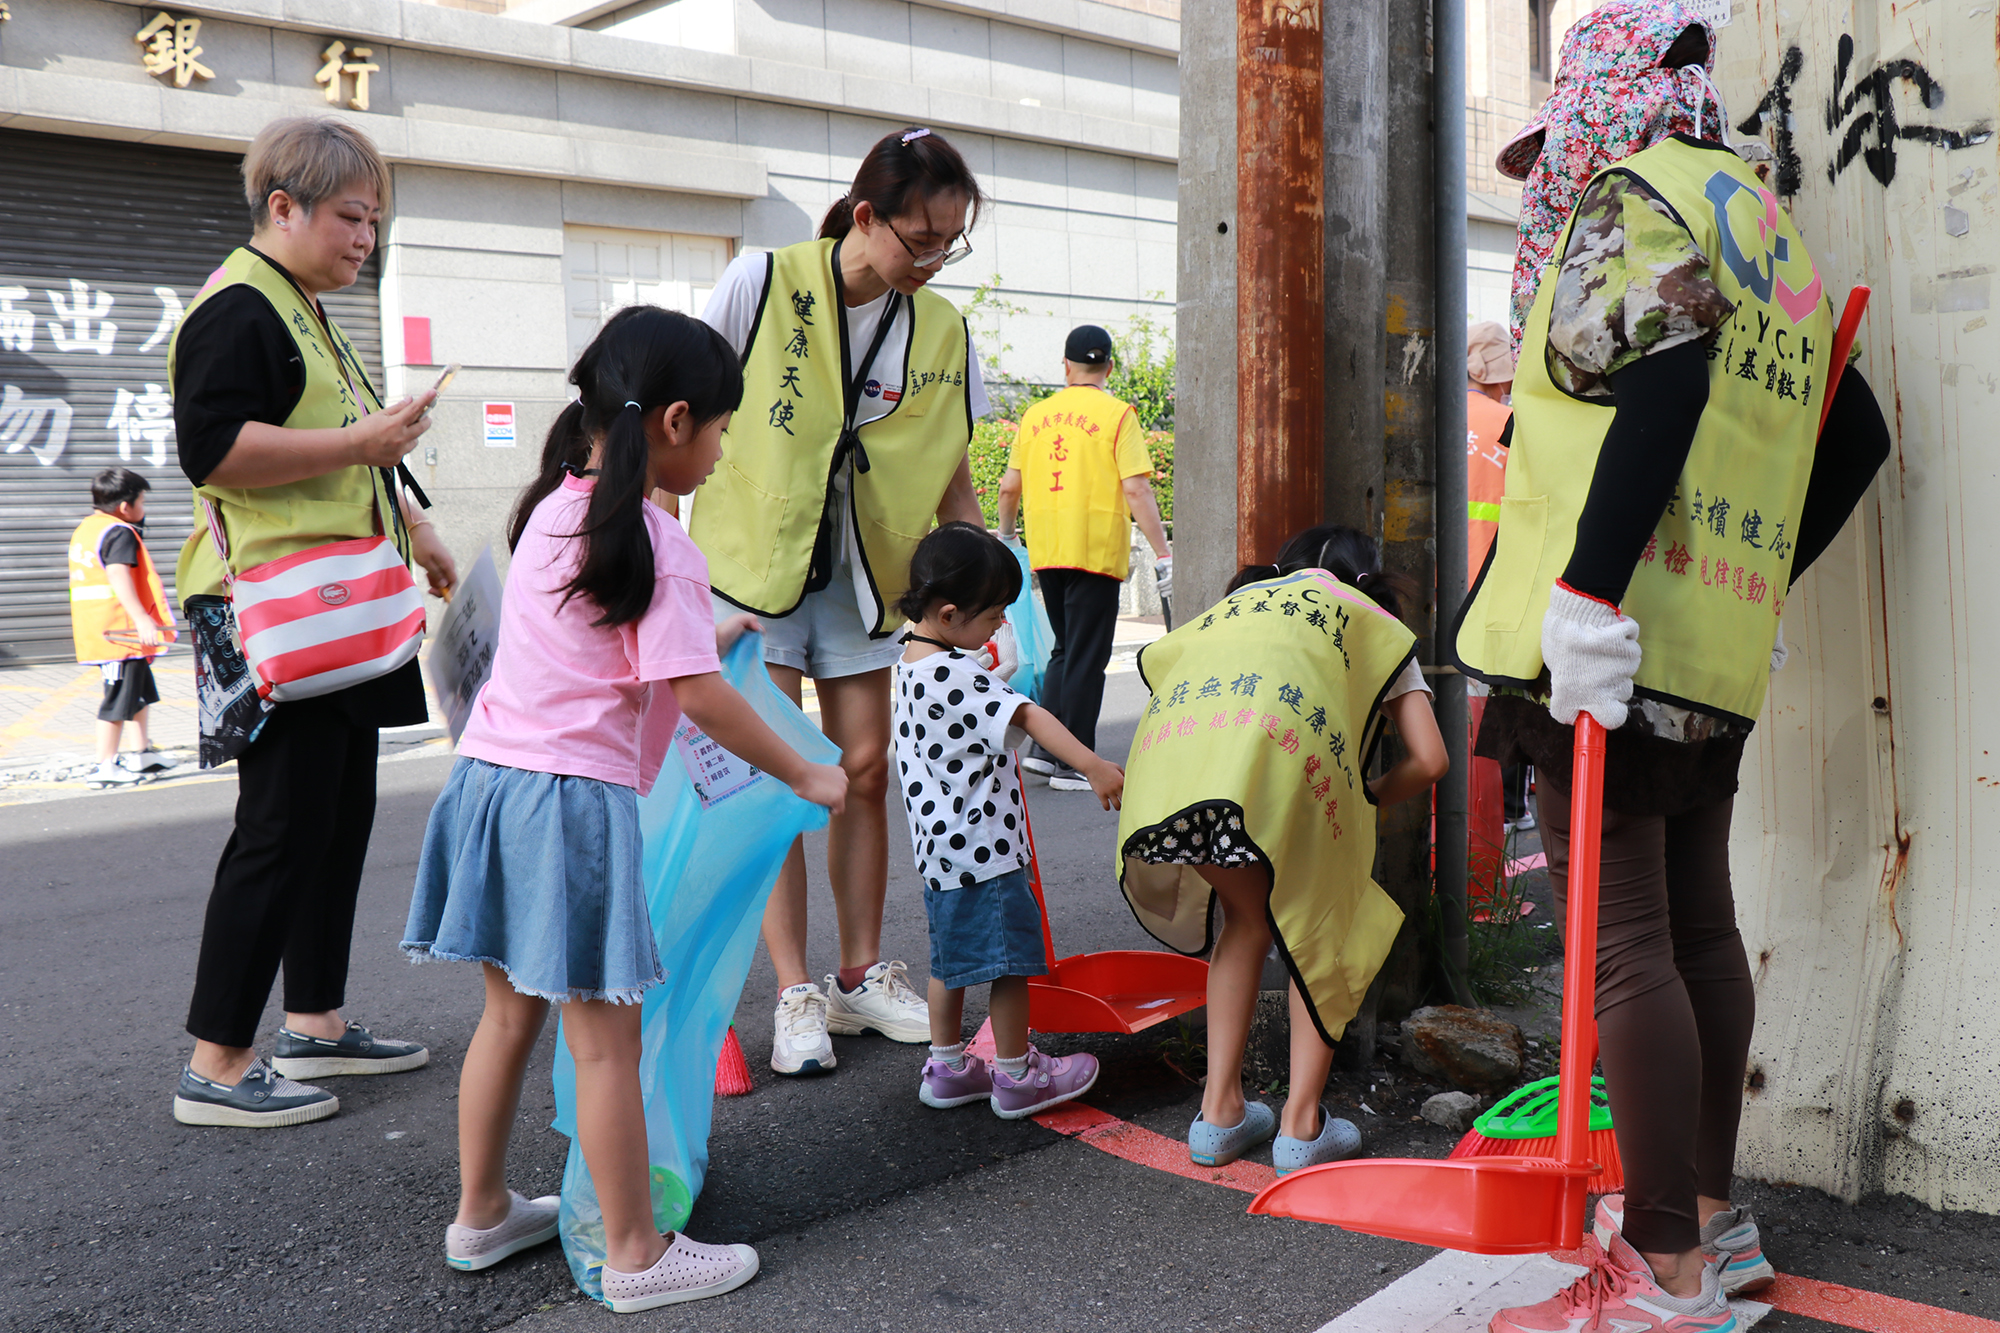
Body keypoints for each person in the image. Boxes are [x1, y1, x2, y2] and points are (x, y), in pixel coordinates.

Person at [1454, 6, 1893, 1329]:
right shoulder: (1760, 226)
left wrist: (1587, 594)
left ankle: (1663, 1268)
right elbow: (1854, 435)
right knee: (1698, 924)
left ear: (1601, 100)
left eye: (1553, 149)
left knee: (1627, 944)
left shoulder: (1630, 199)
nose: (1551, 176)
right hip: (1709, 645)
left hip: (1603, 639)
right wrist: (1759, 580)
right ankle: (1709, 1221)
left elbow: (1662, 387)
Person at [402, 307, 848, 1307]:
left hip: (489, 787)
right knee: (606, 1040)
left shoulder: (553, 511)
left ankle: (480, 1214)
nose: (721, 451)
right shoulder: (656, 539)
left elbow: (617, 640)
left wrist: (707, 632)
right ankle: (637, 1253)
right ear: (677, 420)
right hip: (570, 808)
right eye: (722, 429)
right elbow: (701, 697)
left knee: (506, 1015)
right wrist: (806, 772)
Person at [168, 116, 456, 1129]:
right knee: (281, 826)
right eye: (350, 217)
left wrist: (419, 527)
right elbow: (211, 449)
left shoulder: (302, 305)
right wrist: (357, 443)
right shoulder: (238, 308)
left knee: (336, 820)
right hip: (273, 607)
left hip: (339, 600)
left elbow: (358, 445)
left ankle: (316, 1022)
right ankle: (217, 1063)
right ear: (282, 206)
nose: (365, 239)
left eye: (374, 220)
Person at [691, 126, 990, 1077]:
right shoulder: (760, 281)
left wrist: (985, 601)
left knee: (864, 771)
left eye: (949, 243)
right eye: (921, 239)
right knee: (779, 776)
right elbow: (677, 417)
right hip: (754, 568)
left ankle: (858, 974)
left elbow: (952, 475)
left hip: (870, 573)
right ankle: (794, 991)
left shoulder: (943, 330)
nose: (934, 259)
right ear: (866, 216)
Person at [1116, 525, 1448, 1175]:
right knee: (1318, 938)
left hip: (1183, 785)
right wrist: (1371, 796)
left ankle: (1218, 1116)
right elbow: (1431, 758)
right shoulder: (1367, 622)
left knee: (1245, 923)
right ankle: (1300, 1127)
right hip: (1291, 786)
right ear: (1366, 579)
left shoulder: (1238, 606)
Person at [890, 522, 1119, 1118]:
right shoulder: (957, 674)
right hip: (986, 849)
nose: (998, 625)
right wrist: (1093, 766)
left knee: (950, 965)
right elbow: (1030, 717)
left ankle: (946, 1069)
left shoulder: (910, 660)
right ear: (948, 614)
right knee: (1011, 967)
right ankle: (1017, 1076)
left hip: (942, 851)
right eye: (993, 615)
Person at [997, 324, 1171, 791]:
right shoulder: (1118, 415)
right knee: (1087, 657)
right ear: (1109, 367)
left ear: (1066, 365)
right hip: (1094, 551)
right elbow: (1136, 489)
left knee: (1065, 650)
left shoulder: (1035, 416)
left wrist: (1007, 534)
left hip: (1048, 551)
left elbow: (1009, 487)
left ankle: (1045, 751)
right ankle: (1074, 763)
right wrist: (1162, 551)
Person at [66, 467, 180, 788]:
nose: (144, 508)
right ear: (125, 507)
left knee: (139, 692)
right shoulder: (119, 532)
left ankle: (141, 753)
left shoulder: (88, 528)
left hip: (111, 629)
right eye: (142, 501)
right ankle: (105, 766)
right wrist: (143, 618)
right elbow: (118, 575)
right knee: (116, 700)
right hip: (119, 633)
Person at [1464, 322, 1532, 831]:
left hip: (1435, 587)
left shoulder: (1434, 419)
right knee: (1503, 694)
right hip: (1497, 586)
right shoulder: (1513, 425)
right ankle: (1507, 810)